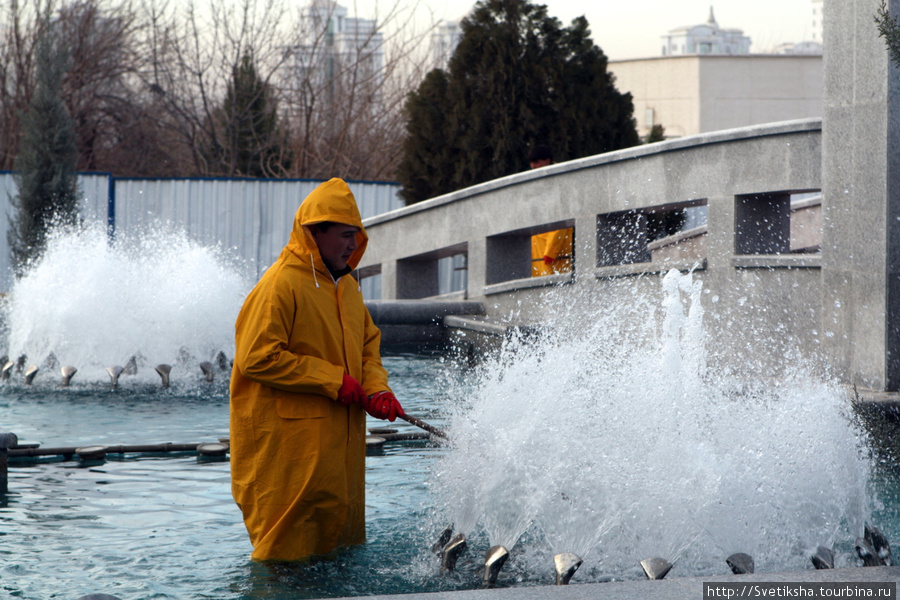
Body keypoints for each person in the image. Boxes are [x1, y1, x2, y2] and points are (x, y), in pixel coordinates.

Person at [229, 177, 404, 562]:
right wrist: (332, 380)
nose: (353, 245)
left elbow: (368, 348)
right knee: (281, 566)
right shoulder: (280, 285)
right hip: (289, 459)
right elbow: (256, 356)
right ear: (314, 233)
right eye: (344, 235)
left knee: (338, 559)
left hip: (339, 457)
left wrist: (377, 389)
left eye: (356, 235)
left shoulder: (348, 289)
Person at [528, 145, 574, 276]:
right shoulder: (537, 182)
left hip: (552, 252)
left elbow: (563, 218)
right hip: (538, 248)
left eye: (536, 162)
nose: (532, 166)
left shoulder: (560, 181)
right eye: (531, 162)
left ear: (547, 161)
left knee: (556, 285)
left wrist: (551, 251)